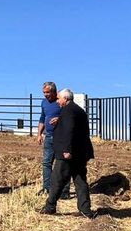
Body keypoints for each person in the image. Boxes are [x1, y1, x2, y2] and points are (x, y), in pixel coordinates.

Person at [40, 88, 95, 218]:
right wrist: (59, 120)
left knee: (57, 179)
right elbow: (74, 127)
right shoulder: (77, 110)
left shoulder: (68, 111)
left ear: (65, 98)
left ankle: (50, 206)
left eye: (59, 98)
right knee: (80, 180)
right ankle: (85, 210)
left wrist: (67, 150)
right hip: (80, 153)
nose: (57, 101)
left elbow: (69, 130)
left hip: (69, 154)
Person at [37, 81, 71, 199]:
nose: (45, 95)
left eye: (47, 92)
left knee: (63, 163)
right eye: (44, 92)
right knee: (46, 163)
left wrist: (59, 119)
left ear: (54, 91)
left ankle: (64, 191)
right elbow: (42, 118)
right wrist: (39, 134)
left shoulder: (61, 101)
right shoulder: (44, 103)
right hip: (49, 137)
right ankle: (47, 188)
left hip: (61, 137)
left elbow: (70, 117)